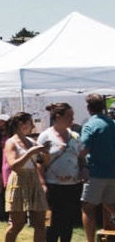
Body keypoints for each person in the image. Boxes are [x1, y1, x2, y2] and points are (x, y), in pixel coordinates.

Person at [38, 103, 84, 242]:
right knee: (54, 223)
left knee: (68, 223)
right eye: (69, 116)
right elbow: (39, 162)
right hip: (54, 185)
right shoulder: (45, 136)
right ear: (58, 117)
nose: (72, 119)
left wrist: (84, 170)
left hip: (73, 185)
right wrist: (42, 183)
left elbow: (81, 158)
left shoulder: (75, 136)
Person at [4, 112, 49, 242]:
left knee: (40, 224)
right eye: (31, 122)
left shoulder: (31, 141)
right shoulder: (11, 142)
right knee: (17, 224)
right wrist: (30, 152)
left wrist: (45, 153)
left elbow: (44, 163)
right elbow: (14, 165)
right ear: (21, 124)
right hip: (19, 181)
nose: (33, 126)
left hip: (34, 180)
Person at [80, 94, 115, 242]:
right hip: (112, 171)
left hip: (95, 172)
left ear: (88, 108)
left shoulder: (90, 125)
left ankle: (90, 240)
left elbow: (83, 150)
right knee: (110, 204)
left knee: (88, 208)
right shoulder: (112, 123)